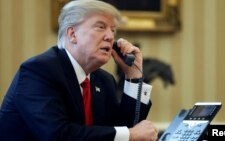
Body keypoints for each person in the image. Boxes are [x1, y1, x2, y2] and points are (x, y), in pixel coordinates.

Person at [0, 0, 158, 141]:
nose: (110, 37)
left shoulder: (104, 80)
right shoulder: (38, 71)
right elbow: (58, 135)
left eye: (113, 30)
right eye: (101, 27)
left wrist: (134, 76)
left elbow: (122, 131)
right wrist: (130, 135)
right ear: (72, 34)